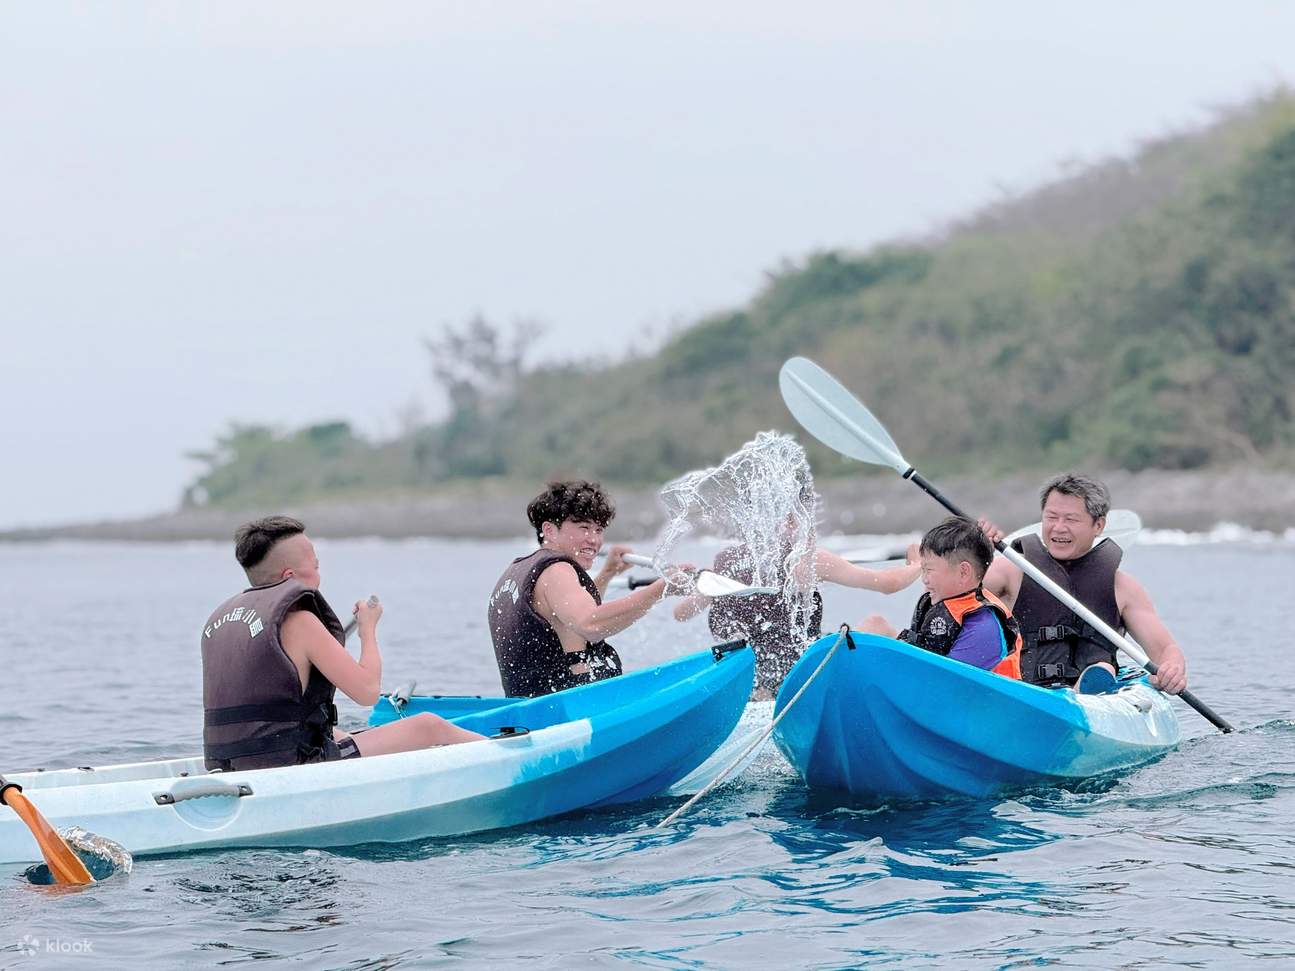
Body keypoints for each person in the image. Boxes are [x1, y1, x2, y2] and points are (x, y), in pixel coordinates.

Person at [201, 516, 483, 772]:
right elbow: (368, 692)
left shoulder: (220, 620)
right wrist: (368, 630)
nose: (319, 575)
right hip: (288, 764)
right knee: (429, 726)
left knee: (338, 734)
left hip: (225, 763)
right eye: (315, 567)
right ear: (290, 577)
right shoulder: (300, 622)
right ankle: (517, 759)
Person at [981, 472, 1188, 694]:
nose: (1059, 528)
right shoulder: (1010, 569)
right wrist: (977, 553)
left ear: (1098, 525)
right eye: (1051, 517)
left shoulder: (1123, 588)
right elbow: (950, 597)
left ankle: (1089, 687)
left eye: (1071, 519)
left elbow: (1165, 649)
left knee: (1102, 669)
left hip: (1096, 704)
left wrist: (1172, 670)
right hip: (1026, 692)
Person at [488, 480, 696, 697]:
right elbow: (590, 624)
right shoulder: (557, 569)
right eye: (584, 528)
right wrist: (661, 589)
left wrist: (607, 574)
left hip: (530, 709)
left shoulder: (520, 568)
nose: (594, 540)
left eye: (598, 529)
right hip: (569, 709)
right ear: (549, 530)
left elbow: (568, 614)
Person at [673, 538, 922, 698]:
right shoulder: (808, 559)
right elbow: (889, 584)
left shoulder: (727, 562)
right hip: (801, 677)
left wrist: (701, 579)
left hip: (746, 679)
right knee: (876, 624)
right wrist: (918, 564)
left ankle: (762, 694)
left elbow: (681, 613)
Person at [860, 515, 1022, 678]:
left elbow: (941, 684)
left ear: (964, 572)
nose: (924, 578)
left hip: (972, 700)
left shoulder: (983, 627)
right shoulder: (946, 602)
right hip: (932, 688)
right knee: (876, 625)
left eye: (929, 570)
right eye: (923, 570)